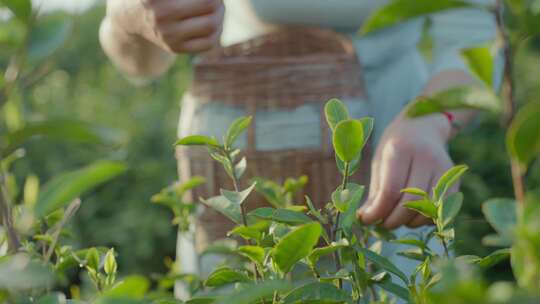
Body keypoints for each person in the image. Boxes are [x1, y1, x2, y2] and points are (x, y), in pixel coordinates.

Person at [100, 0, 497, 299]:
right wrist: (131, 18)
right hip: (240, 162)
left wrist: (430, 122)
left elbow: (478, 34)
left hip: (394, 146)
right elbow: (138, 58)